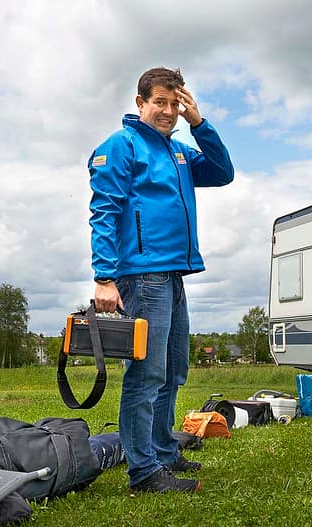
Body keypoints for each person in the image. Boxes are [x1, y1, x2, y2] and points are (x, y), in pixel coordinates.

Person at [87, 67, 234, 493]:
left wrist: (199, 123)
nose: (168, 111)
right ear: (140, 104)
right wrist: (104, 278)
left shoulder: (179, 152)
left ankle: (163, 451)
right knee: (147, 374)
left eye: (175, 103)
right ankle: (144, 473)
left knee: (172, 370)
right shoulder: (122, 146)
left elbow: (223, 172)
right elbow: (105, 211)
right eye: (160, 103)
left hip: (172, 274)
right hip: (141, 275)